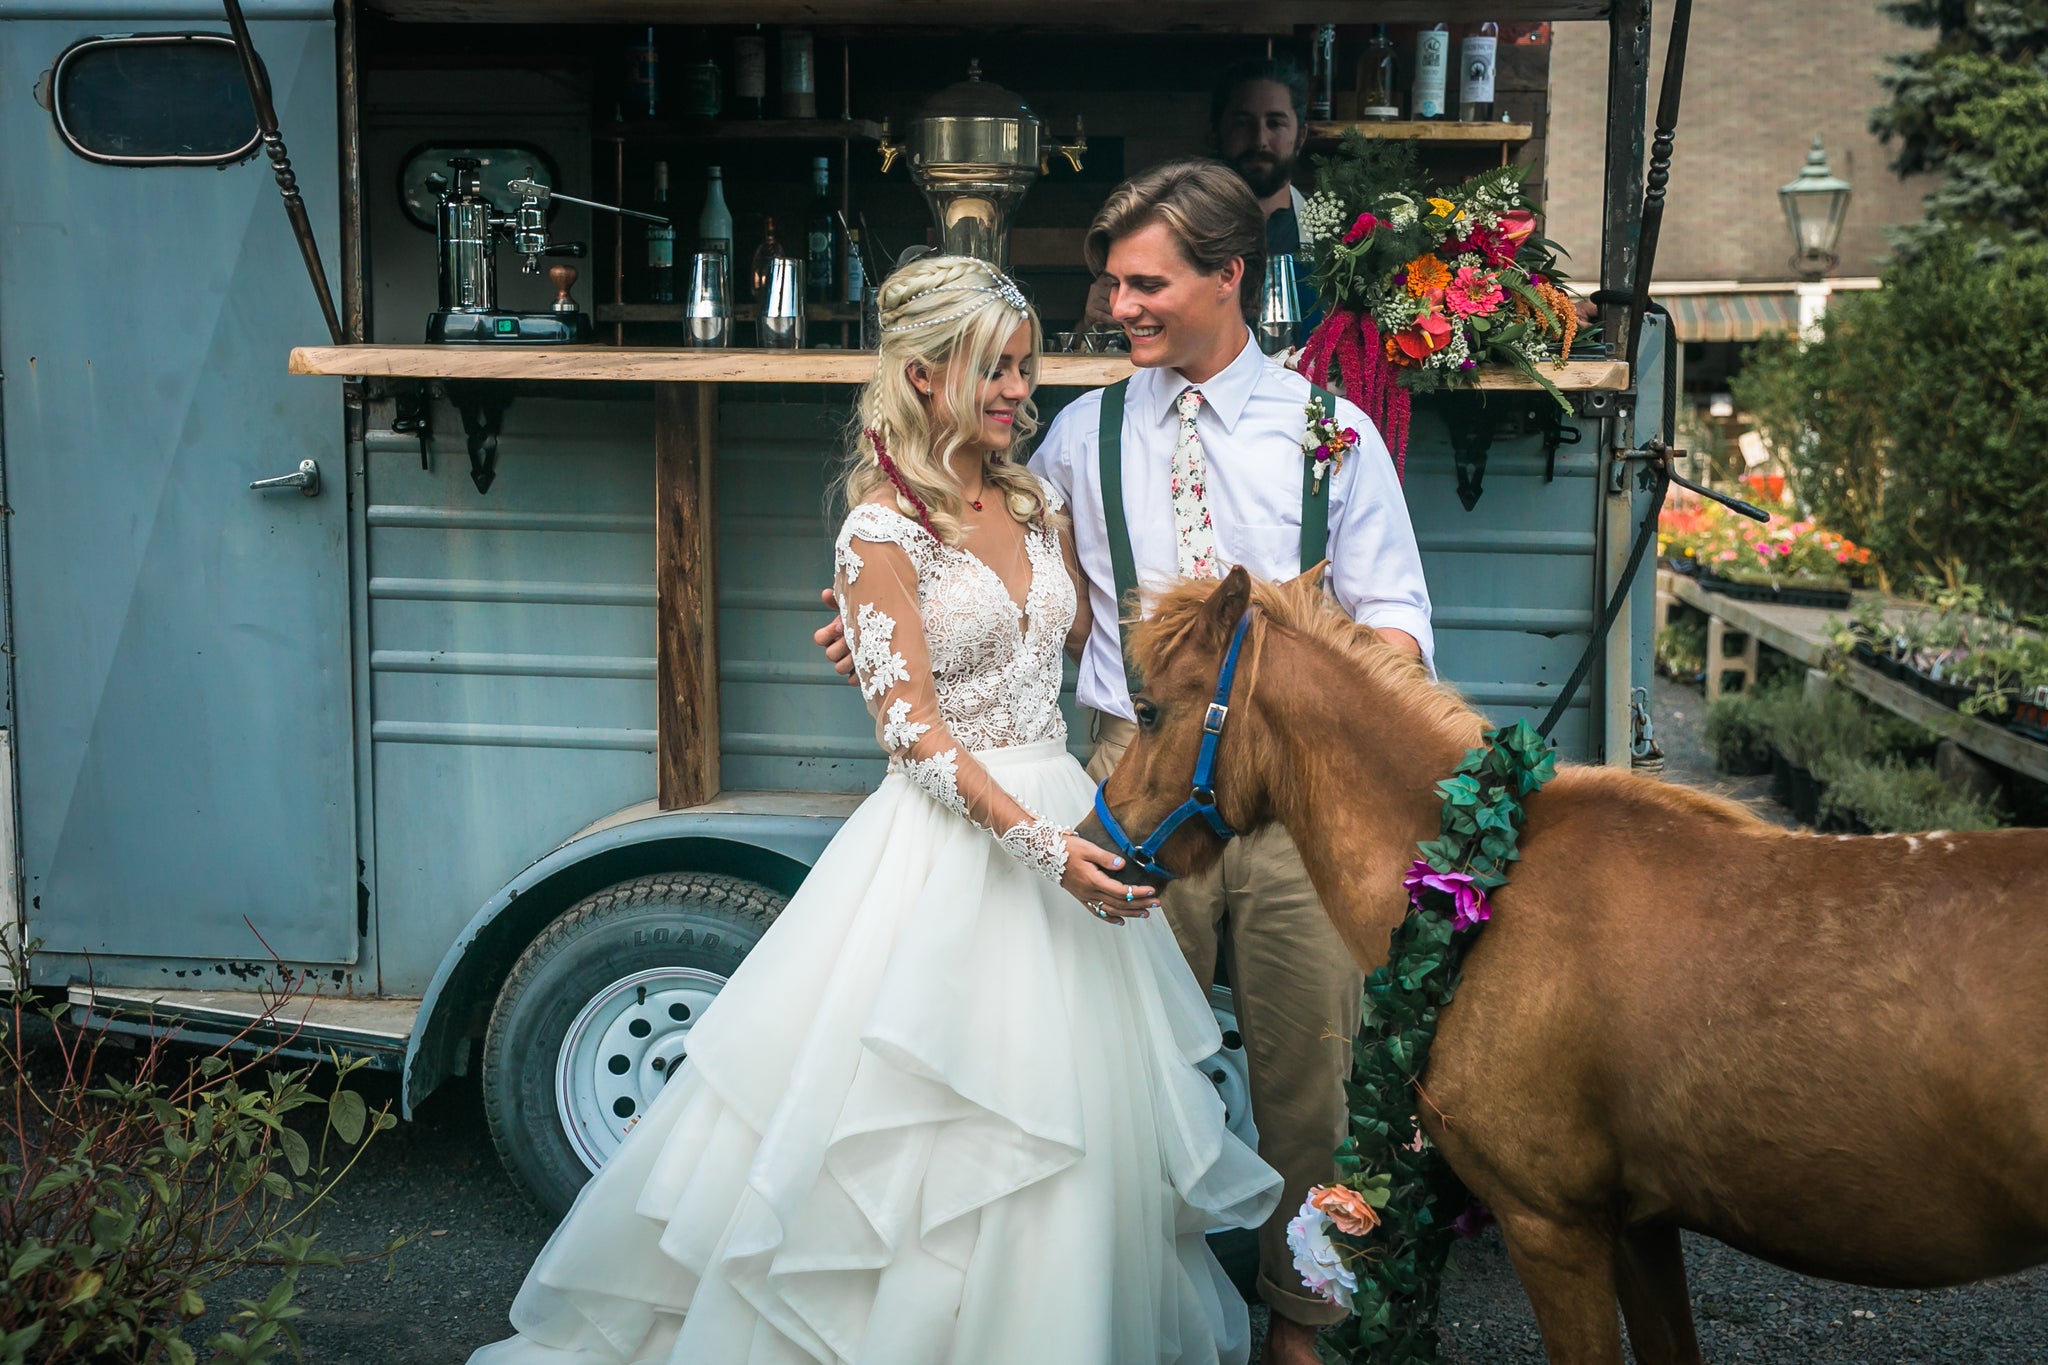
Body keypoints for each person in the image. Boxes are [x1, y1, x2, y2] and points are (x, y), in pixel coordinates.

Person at [471, 253, 1281, 1365]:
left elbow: (1097, 646)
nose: (1015, 392)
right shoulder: (875, 538)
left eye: (1021, 368)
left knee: (1073, 1142)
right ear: (921, 375)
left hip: (1061, 803)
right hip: (957, 846)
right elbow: (917, 742)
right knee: (922, 1138)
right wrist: (1043, 843)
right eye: (993, 371)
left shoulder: (1036, 504)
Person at [825, 163, 1431, 1365]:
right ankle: (1120, 1314)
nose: (1119, 307)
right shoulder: (1076, 436)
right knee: (1116, 1080)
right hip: (1131, 782)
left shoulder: (1331, 435)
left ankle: (1301, 1326)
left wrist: (1300, 697)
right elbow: (968, 549)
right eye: (1110, 285)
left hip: (1297, 799)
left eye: (1143, 283)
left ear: (1226, 278)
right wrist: (875, 619)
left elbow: (1401, 628)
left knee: (1311, 1079)